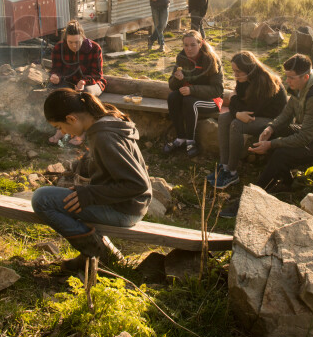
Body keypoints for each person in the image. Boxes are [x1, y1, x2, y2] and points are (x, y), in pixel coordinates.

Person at [31, 89, 152, 273]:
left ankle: (94, 252)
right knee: (55, 196)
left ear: (71, 119)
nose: (62, 132)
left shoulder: (104, 135)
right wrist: (86, 189)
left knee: (42, 199)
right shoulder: (106, 123)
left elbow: (137, 184)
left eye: (59, 127)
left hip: (125, 210)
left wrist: (89, 194)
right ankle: (97, 253)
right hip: (127, 205)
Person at [244, 53, 313, 200]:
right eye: (287, 76)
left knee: (281, 153)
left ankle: (256, 194)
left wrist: (271, 144)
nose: (287, 81)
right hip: (312, 131)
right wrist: (270, 128)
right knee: (274, 132)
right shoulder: (301, 85)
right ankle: (286, 182)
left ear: (305, 76)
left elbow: (305, 138)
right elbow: (286, 114)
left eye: (291, 77)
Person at [209, 51, 287, 189]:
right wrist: (236, 108)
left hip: (273, 121)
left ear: (249, 69)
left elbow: (248, 110)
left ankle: (232, 172)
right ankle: (224, 166)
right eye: (234, 71)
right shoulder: (244, 80)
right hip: (256, 113)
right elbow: (238, 106)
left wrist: (234, 101)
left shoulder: (263, 82)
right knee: (223, 117)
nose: (235, 75)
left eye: (238, 71)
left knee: (236, 124)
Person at [163, 30, 224, 158]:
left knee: (190, 101)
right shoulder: (181, 58)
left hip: (212, 99)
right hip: (190, 95)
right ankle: (181, 138)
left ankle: (191, 141)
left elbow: (218, 90)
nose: (189, 49)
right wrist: (176, 79)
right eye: (186, 45)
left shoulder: (211, 60)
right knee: (172, 97)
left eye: (192, 45)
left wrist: (193, 90)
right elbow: (172, 86)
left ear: (200, 44)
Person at [48, 20, 106, 144]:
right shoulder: (59, 48)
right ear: (65, 40)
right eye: (70, 42)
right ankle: (62, 129)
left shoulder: (94, 48)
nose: (74, 45)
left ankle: (82, 132)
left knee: (84, 95)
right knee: (59, 93)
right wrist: (55, 76)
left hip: (92, 83)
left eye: (77, 42)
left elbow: (97, 74)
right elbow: (55, 69)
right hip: (70, 83)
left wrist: (84, 81)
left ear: (83, 38)